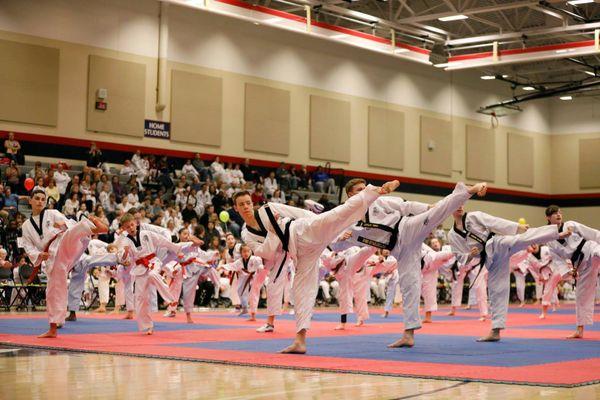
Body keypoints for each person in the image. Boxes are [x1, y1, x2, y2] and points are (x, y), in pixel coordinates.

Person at [233, 178, 400, 354]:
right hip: (299, 253)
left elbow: (299, 214)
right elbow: (265, 253)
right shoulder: (246, 234)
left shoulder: (268, 209)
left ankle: (376, 191)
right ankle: (300, 341)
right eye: (241, 204)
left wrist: (328, 229)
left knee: (335, 216)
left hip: (301, 231)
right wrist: (273, 235)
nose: (246, 207)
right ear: (235, 208)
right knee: (301, 291)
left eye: (248, 203)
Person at [449, 207, 571, 343]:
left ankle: (557, 233)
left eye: (461, 204)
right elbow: (459, 256)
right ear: (450, 209)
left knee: (520, 239)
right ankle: (496, 330)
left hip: (497, 243)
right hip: (489, 259)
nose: (460, 207)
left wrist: (517, 227)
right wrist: (470, 255)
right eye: (456, 205)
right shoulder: (452, 235)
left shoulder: (473, 217)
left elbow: (495, 222)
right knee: (497, 290)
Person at [19, 189, 108, 338]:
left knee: (70, 232)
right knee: (54, 291)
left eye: (43, 199)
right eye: (37, 198)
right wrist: (39, 254)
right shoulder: (26, 226)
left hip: (63, 244)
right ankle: (53, 327)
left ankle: (94, 228)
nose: (40, 201)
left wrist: (63, 223)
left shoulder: (52, 213)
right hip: (51, 259)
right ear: (30, 201)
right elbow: (28, 246)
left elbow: (66, 222)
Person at [544, 205, 600, 339]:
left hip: (590, 249)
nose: (558, 215)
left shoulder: (571, 225)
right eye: (554, 213)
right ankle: (579, 330)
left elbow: (592, 233)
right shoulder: (550, 241)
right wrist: (569, 272)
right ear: (548, 218)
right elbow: (558, 261)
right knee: (581, 295)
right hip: (579, 264)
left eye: (559, 212)